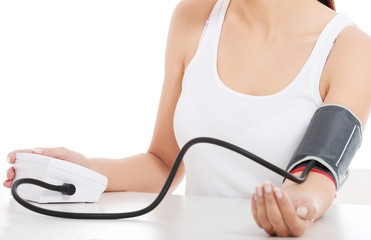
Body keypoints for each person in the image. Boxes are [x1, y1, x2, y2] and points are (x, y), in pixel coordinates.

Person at [3, 0, 371, 237]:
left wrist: (299, 207)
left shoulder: (350, 47)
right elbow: (164, 162)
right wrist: (84, 169)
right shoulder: (194, 19)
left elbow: (320, 173)